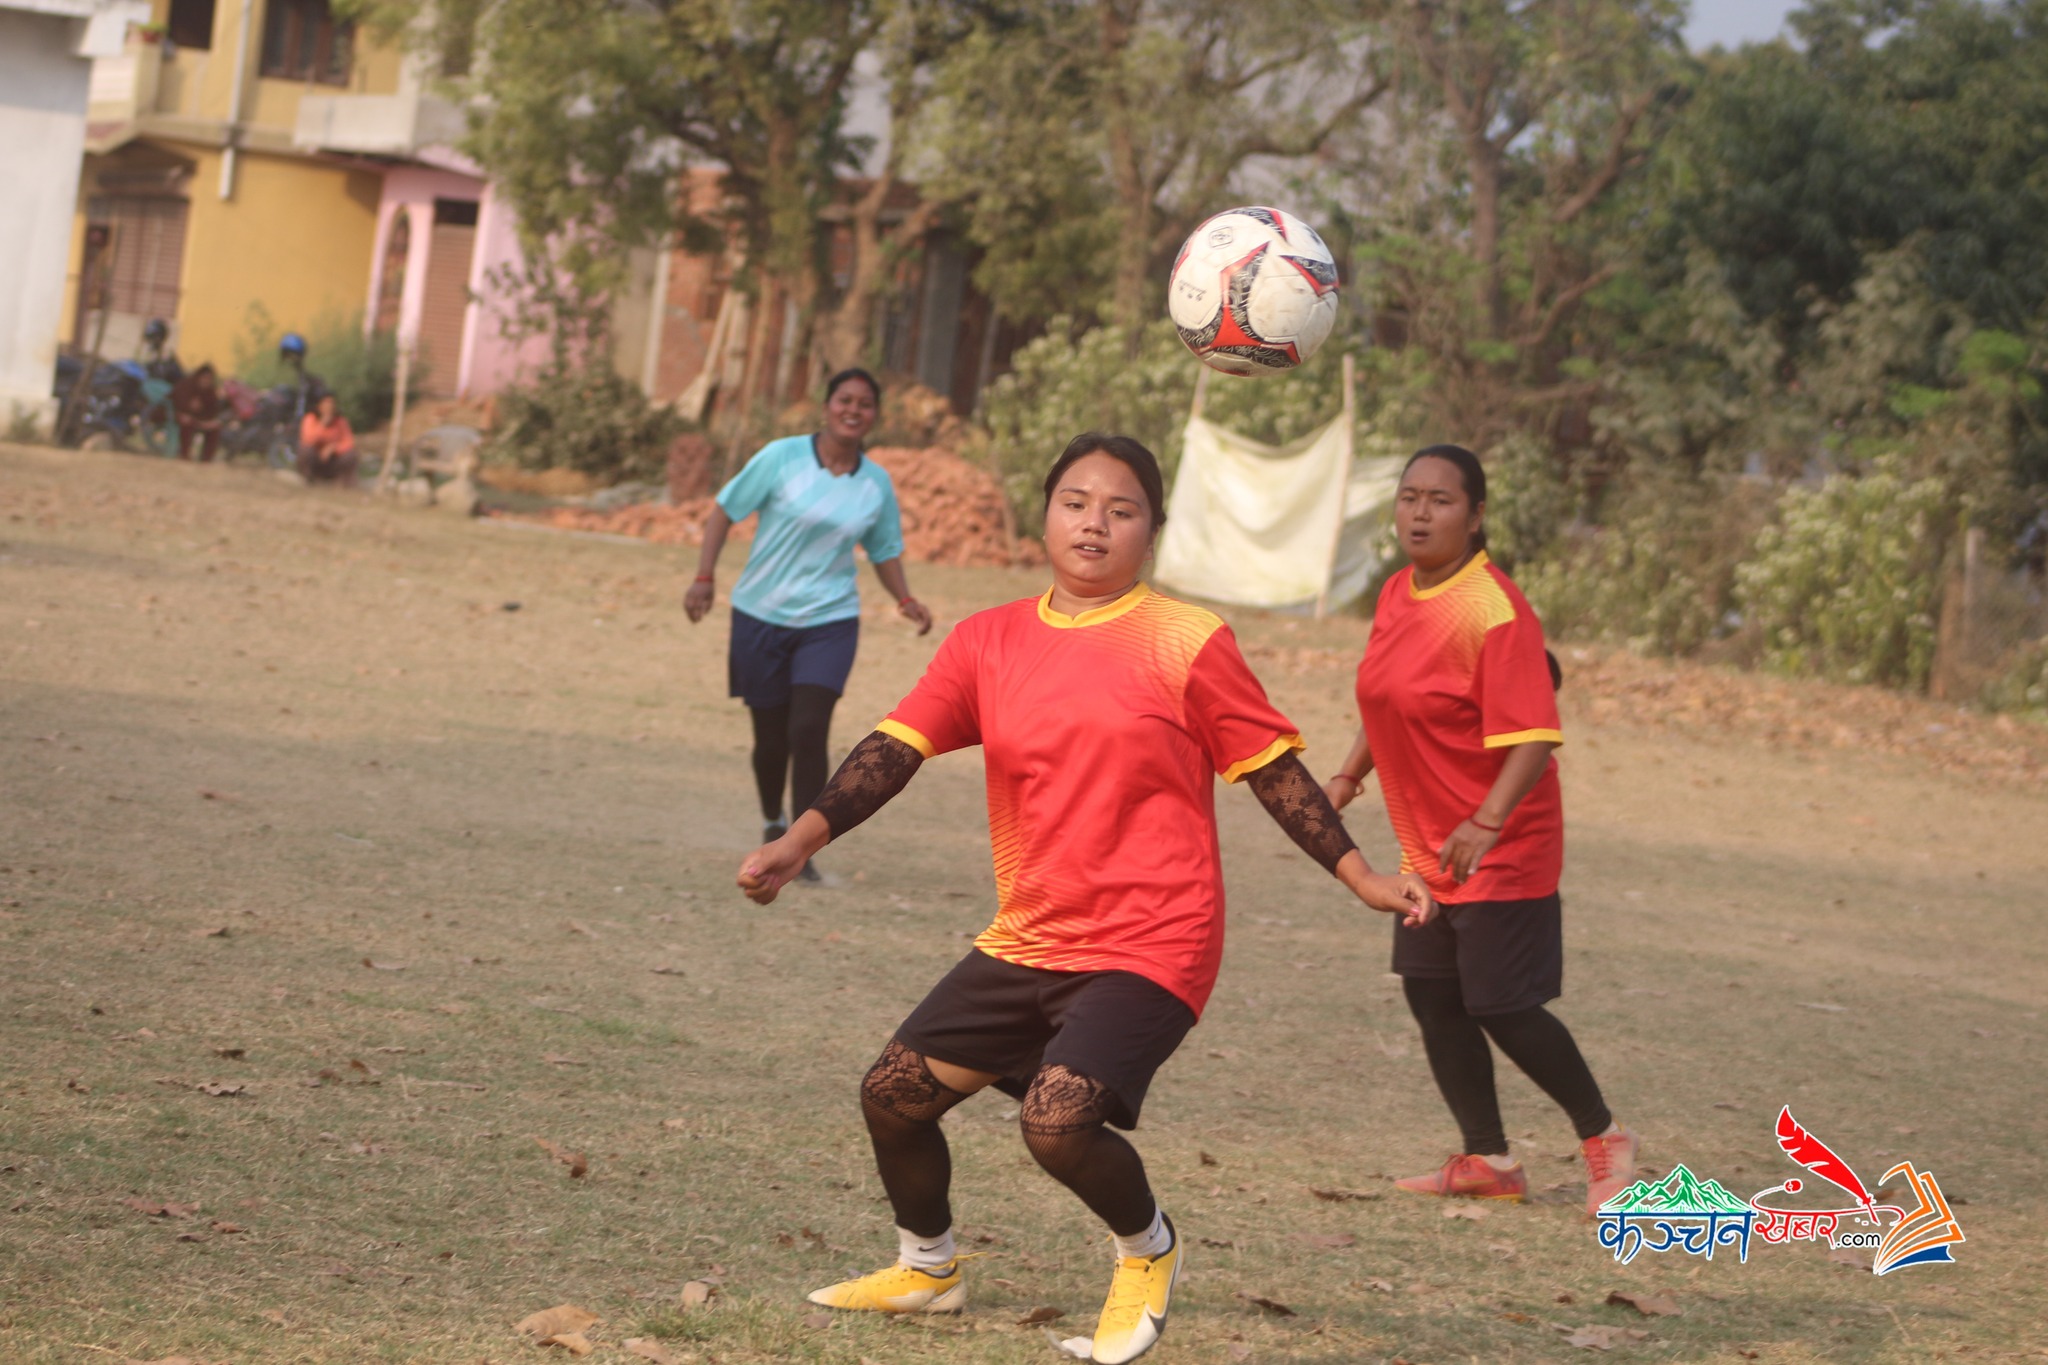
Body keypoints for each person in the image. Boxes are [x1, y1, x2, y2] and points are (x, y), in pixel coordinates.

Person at [736, 434, 1433, 1365]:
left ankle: (1148, 1250)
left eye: (1121, 507)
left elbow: (1275, 773)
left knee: (1057, 1124)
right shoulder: (988, 639)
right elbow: (891, 751)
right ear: (1047, 514)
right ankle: (928, 1268)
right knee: (893, 1098)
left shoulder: (1187, 639)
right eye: (1075, 500)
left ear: (1152, 529)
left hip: (1154, 940)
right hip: (1030, 935)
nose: (1094, 521)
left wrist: (1362, 876)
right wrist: (796, 840)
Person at [1322, 443, 1636, 1217]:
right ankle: (1489, 1156)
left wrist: (1487, 818)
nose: (1421, 513)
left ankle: (1605, 1137)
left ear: (1478, 514)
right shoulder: (1399, 591)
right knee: (1433, 994)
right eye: (1409, 497)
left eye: (1441, 500)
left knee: (1501, 1002)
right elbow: (1388, 697)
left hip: (1503, 840)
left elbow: (1535, 733)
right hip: (1428, 843)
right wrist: (1348, 774)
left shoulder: (1495, 608)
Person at [685, 368, 932, 880]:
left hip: (830, 618)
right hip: (761, 613)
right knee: (771, 737)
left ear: (874, 417)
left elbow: (884, 550)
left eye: (865, 404)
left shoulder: (875, 483)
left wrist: (905, 597)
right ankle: (773, 821)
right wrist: (705, 577)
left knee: (809, 728)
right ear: (826, 406)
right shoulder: (781, 457)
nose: (853, 410)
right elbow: (724, 511)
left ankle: (802, 849)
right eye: (844, 399)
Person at [297, 394, 358, 484]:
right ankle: (308, 478)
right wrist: (323, 424)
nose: (329, 408)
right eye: (326, 405)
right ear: (319, 406)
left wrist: (333, 448)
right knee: (305, 450)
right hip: (315, 458)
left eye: (332, 405)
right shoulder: (310, 419)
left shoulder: (340, 421)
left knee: (351, 455)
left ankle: (343, 481)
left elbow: (349, 442)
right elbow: (308, 439)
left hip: (333, 460)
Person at [170, 363, 224, 462]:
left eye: (209, 378)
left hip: (199, 419)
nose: (206, 381)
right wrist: (186, 408)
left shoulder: (210, 391)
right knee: (187, 423)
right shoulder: (186, 385)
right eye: (204, 377)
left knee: (215, 428)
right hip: (178, 414)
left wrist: (210, 421)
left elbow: (213, 410)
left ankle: (206, 459)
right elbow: (175, 401)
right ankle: (184, 454)